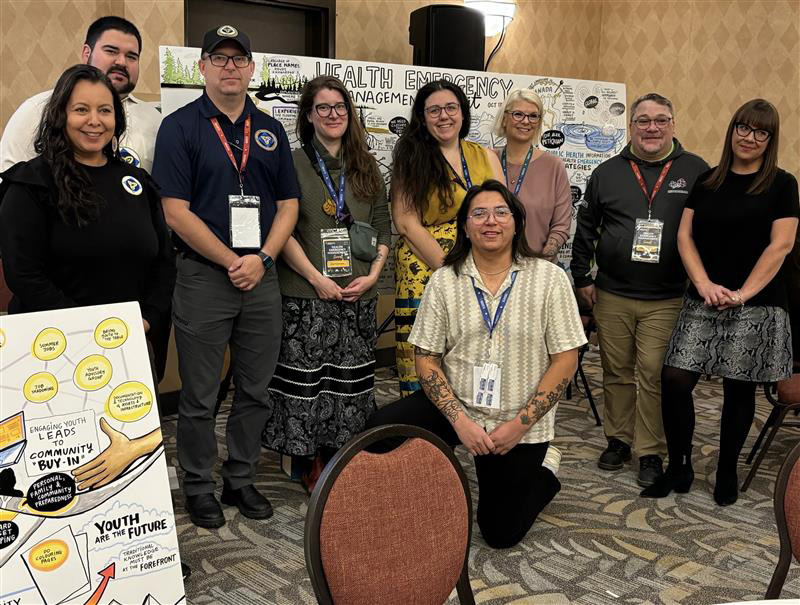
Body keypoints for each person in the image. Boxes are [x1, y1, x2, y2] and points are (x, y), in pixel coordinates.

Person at [365, 180, 586, 549]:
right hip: (459, 403)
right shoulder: (444, 280)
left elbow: (566, 359)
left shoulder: (549, 279)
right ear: (465, 227)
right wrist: (459, 420)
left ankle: (544, 471)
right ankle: (433, 486)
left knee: (500, 533)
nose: (490, 222)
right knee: (378, 431)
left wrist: (519, 425)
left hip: (517, 418)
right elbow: (427, 359)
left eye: (501, 212)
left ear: (516, 222)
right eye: (478, 213)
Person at [151, 25, 299, 529]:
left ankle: (240, 476)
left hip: (262, 277)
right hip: (204, 278)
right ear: (203, 68)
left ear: (252, 68)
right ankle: (197, 484)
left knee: (256, 389)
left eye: (239, 59)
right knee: (199, 395)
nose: (230, 66)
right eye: (220, 57)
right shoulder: (180, 126)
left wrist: (261, 257)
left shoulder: (270, 129)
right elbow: (174, 210)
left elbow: (288, 204)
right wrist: (232, 261)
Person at [641, 99, 799, 506]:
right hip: (705, 297)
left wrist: (742, 293)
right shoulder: (708, 180)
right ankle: (680, 466)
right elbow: (684, 237)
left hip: (757, 303)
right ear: (732, 131)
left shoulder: (783, 184)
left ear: (770, 140)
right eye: (743, 128)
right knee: (675, 378)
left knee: (738, 387)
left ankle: (726, 467)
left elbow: (780, 246)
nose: (750, 138)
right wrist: (704, 283)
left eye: (761, 132)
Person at [570, 93, 709, 487]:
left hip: (667, 296)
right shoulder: (607, 172)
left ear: (673, 125)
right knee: (616, 370)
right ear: (631, 126)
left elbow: (709, 230)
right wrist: (582, 278)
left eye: (660, 120)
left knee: (652, 372)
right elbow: (586, 228)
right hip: (612, 293)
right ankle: (618, 440)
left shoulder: (697, 171)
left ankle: (650, 451)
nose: (652, 128)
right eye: (643, 120)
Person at [261, 76, 391, 492]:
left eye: (340, 107)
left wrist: (372, 275)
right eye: (323, 108)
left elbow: (384, 228)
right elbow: (283, 233)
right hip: (305, 292)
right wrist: (316, 280)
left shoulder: (366, 166)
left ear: (349, 114)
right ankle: (303, 459)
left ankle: (342, 456)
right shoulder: (293, 163)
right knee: (306, 382)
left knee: (350, 381)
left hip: (357, 295)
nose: (333, 115)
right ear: (309, 115)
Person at [0, 64, 174, 358]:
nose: (94, 121)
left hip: (128, 340)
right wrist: (87, 329)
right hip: (54, 347)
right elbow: (24, 274)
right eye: (81, 109)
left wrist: (147, 318)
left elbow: (164, 262)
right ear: (60, 115)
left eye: (105, 111)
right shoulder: (31, 183)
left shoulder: (137, 182)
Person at [392, 79, 503, 396]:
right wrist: (450, 269)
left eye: (451, 108)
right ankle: (419, 433)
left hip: (482, 264)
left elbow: (503, 212)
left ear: (463, 113)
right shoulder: (412, 156)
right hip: (425, 265)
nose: (444, 116)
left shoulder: (485, 156)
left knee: (475, 349)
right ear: (423, 117)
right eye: (434, 110)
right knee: (424, 351)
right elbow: (406, 221)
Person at [0, 16, 161, 172]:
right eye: (111, 51)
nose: (121, 62)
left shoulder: (155, 121)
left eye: (131, 56)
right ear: (86, 53)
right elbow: (12, 182)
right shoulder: (37, 109)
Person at [492, 89, 571, 260]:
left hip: (538, 267)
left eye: (533, 116)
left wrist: (541, 264)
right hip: (490, 266)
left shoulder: (554, 166)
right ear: (504, 118)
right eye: (518, 114)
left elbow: (561, 226)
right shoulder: (487, 161)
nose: (526, 121)